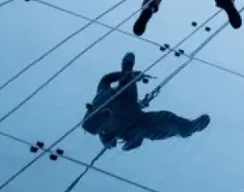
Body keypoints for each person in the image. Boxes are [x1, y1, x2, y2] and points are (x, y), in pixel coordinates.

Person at [82, 52, 210, 150]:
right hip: (136, 122)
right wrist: (133, 142)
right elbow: (133, 140)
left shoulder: (102, 98)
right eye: (101, 131)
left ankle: (127, 68)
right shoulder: (111, 133)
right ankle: (186, 128)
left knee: (127, 79)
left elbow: (105, 80)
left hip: (126, 98)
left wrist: (122, 75)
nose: (104, 129)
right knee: (160, 122)